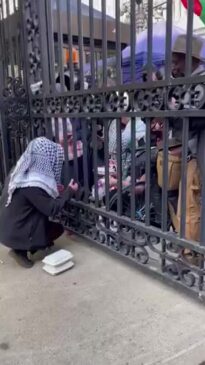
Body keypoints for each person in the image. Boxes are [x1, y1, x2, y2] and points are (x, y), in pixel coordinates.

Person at [0, 137, 78, 268]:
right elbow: (51, 209)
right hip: (14, 231)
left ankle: (26, 243)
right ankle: (20, 249)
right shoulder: (33, 183)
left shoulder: (19, 170)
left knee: (50, 227)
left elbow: (35, 199)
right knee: (56, 230)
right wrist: (69, 191)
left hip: (6, 228)